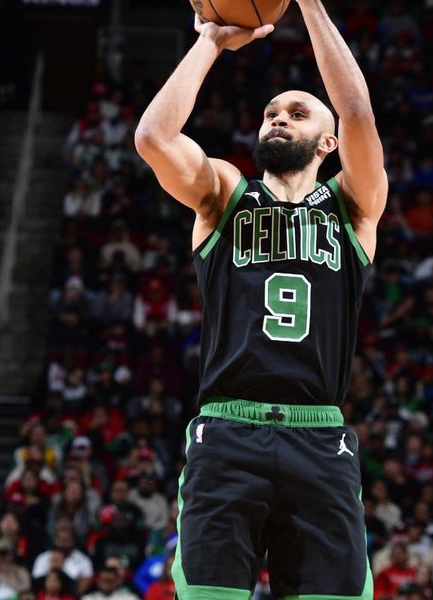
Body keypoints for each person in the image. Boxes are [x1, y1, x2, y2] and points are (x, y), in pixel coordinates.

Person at [134, 0, 387, 597]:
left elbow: (357, 113)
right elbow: (152, 137)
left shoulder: (353, 206)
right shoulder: (224, 193)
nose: (278, 119)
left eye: (296, 114)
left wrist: (311, 5)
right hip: (227, 432)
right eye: (271, 113)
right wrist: (212, 43)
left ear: (326, 141)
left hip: (319, 436)